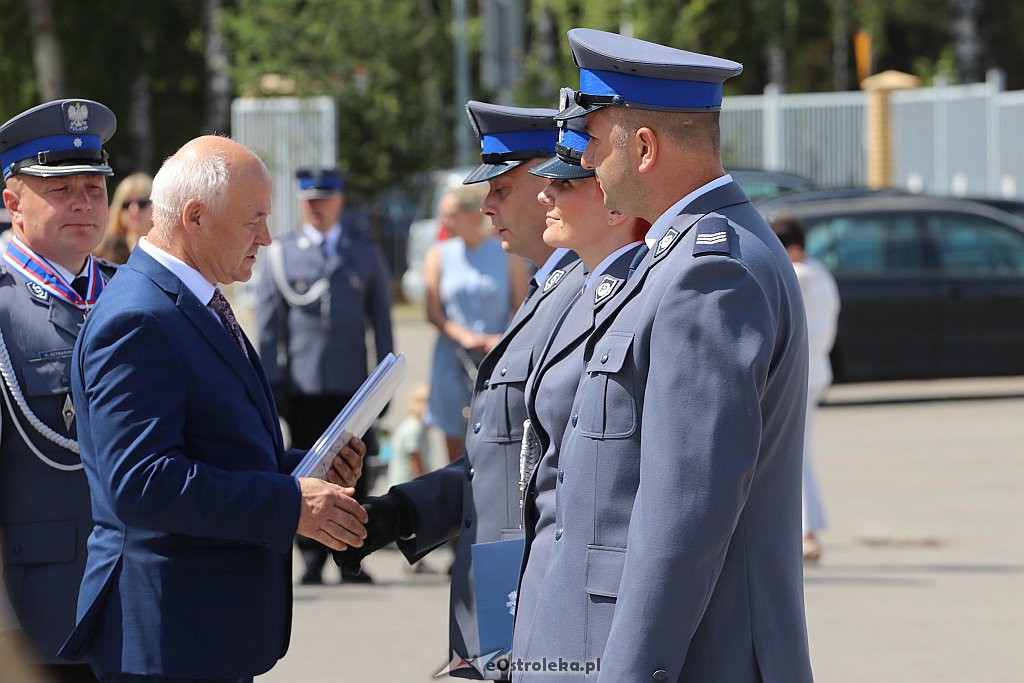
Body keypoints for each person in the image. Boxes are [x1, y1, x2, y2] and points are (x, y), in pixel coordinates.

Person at [510, 29, 814, 682]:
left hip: (695, 658)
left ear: (642, 147)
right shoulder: (680, 259)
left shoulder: (710, 272)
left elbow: (684, 518)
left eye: (593, 141)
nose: (585, 162)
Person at [58, 136, 368, 683]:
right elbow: (142, 481)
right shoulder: (139, 318)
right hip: (165, 636)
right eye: (254, 220)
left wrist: (305, 468)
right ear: (195, 217)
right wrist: (289, 502)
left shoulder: (186, 298)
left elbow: (216, 443)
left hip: (197, 631)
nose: (268, 238)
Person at [336, 102, 585, 678]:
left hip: (533, 612)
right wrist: (399, 513)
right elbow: (506, 460)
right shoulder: (549, 291)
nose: (487, 204)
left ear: (550, 182)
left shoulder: (587, 300)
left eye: (501, 186)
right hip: (498, 608)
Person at [513, 95, 649, 664]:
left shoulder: (641, 294)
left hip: (597, 606)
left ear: (615, 204)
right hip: (553, 582)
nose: (545, 193)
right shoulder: (577, 292)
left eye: (567, 184)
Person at [0, 98, 119, 683]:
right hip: (39, 622)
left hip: (143, 608)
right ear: (12, 202)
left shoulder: (132, 295)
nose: (83, 202)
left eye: (94, 187)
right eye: (60, 187)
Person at [257, 167, 393, 584]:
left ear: (340, 200)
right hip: (304, 385)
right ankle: (312, 556)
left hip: (353, 384)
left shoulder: (363, 251)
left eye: (325, 199)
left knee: (357, 468)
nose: (317, 207)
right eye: (310, 200)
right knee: (307, 468)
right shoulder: (283, 253)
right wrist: (270, 383)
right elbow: (267, 325)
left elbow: (382, 321)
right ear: (301, 202)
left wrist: (384, 381)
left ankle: (352, 552)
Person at [423, 182, 529, 463]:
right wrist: (463, 336)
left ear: (472, 216)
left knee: (495, 441)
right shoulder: (438, 255)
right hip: (451, 359)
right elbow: (433, 312)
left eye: (450, 214)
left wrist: (501, 338)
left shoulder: (506, 253)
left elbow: (523, 307)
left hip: (495, 357)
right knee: (455, 448)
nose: (444, 221)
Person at [771, 215, 840, 564]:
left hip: (800, 371)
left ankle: (807, 534)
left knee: (794, 455)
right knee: (799, 453)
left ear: (793, 249)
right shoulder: (820, 272)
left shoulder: (800, 275)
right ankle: (808, 531)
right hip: (817, 369)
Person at [93, 173, 153, 264]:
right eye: (126, 204)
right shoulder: (102, 253)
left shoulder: (167, 251)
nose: (134, 210)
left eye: (142, 203)